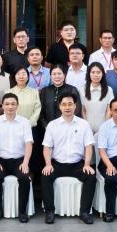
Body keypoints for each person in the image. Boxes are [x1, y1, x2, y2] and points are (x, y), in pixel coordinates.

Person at [41, 94, 96, 224]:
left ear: (75, 106)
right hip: (57, 164)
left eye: (70, 104)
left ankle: (84, 212)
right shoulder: (52, 125)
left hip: (77, 164)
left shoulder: (84, 124)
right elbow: (47, 148)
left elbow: (88, 146)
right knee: (45, 176)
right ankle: (49, 211)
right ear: (60, 106)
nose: (67, 107)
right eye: (64, 104)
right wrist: (48, 164)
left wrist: (87, 164)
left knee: (91, 176)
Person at [0, 93, 34, 223]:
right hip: (1, 160)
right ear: (2, 106)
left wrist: (26, 162)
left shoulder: (25, 122)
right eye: (7, 104)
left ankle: (22, 212)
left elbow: (29, 143)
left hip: (19, 160)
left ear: (17, 106)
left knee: (24, 178)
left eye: (13, 104)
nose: (10, 107)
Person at [79, 62, 114, 134]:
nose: (96, 75)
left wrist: (104, 127)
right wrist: (87, 128)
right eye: (93, 72)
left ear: (103, 74)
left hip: (104, 128)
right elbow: (83, 110)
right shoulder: (82, 89)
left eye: (98, 72)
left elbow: (109, 110)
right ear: (89, 74)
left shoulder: (109, 90)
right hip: (87, 128)